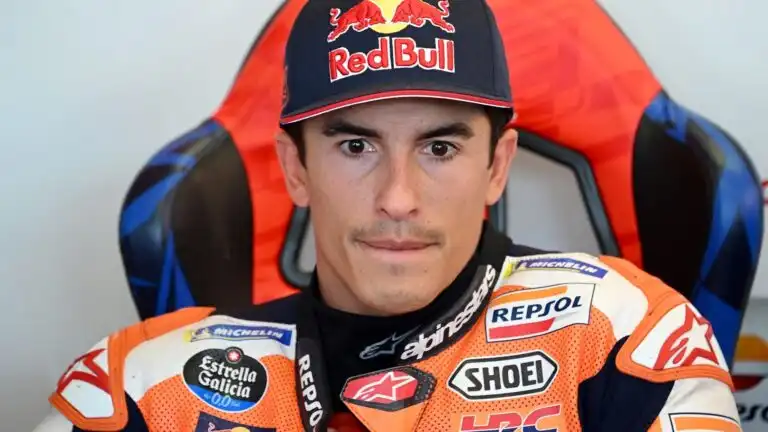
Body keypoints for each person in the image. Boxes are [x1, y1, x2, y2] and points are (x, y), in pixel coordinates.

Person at [35, 0, 742, 431]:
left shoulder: (623, 335)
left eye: (440, 147)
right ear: (294, 169)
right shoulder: (143, 383)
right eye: (355, 146)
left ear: (496, 166)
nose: (398, 198)